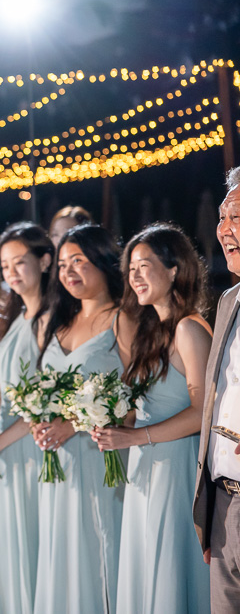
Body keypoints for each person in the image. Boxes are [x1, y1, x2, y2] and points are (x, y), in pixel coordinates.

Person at [91, 223, 211, 613]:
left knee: (171, 565)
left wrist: (136, 438)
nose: (134, 276)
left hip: (176, 465)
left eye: (144, 265)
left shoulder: (189, 329)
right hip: (146, 465)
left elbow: (202, 411)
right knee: (146, 566)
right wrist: (115, 422)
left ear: (175, 269)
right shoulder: (151, 332)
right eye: (130, 268)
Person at [32, 224, 133, 614]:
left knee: (99, 541)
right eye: (62, 264)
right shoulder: (59, 323)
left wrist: (73, 424)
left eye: (79, 261)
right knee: (64, 545)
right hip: (58, 460)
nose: (69, 271)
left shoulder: (122, 320)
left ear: (104, 262)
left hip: (100, 455)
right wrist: (39, 421)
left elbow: (135, 396)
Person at [0, 223, 51, 614]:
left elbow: (44, 401)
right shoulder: (16, 316)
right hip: (4, 439)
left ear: (45, 260)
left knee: (33, 536)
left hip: (32, 444)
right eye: (5, 265)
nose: (11, 272)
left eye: (21, 262)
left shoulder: (50, 320)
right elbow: (5, 382)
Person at [194, 168, 240, 613]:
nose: (223, 230)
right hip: (224, 503)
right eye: (223, 218)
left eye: (237, 217)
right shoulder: (228, 301)